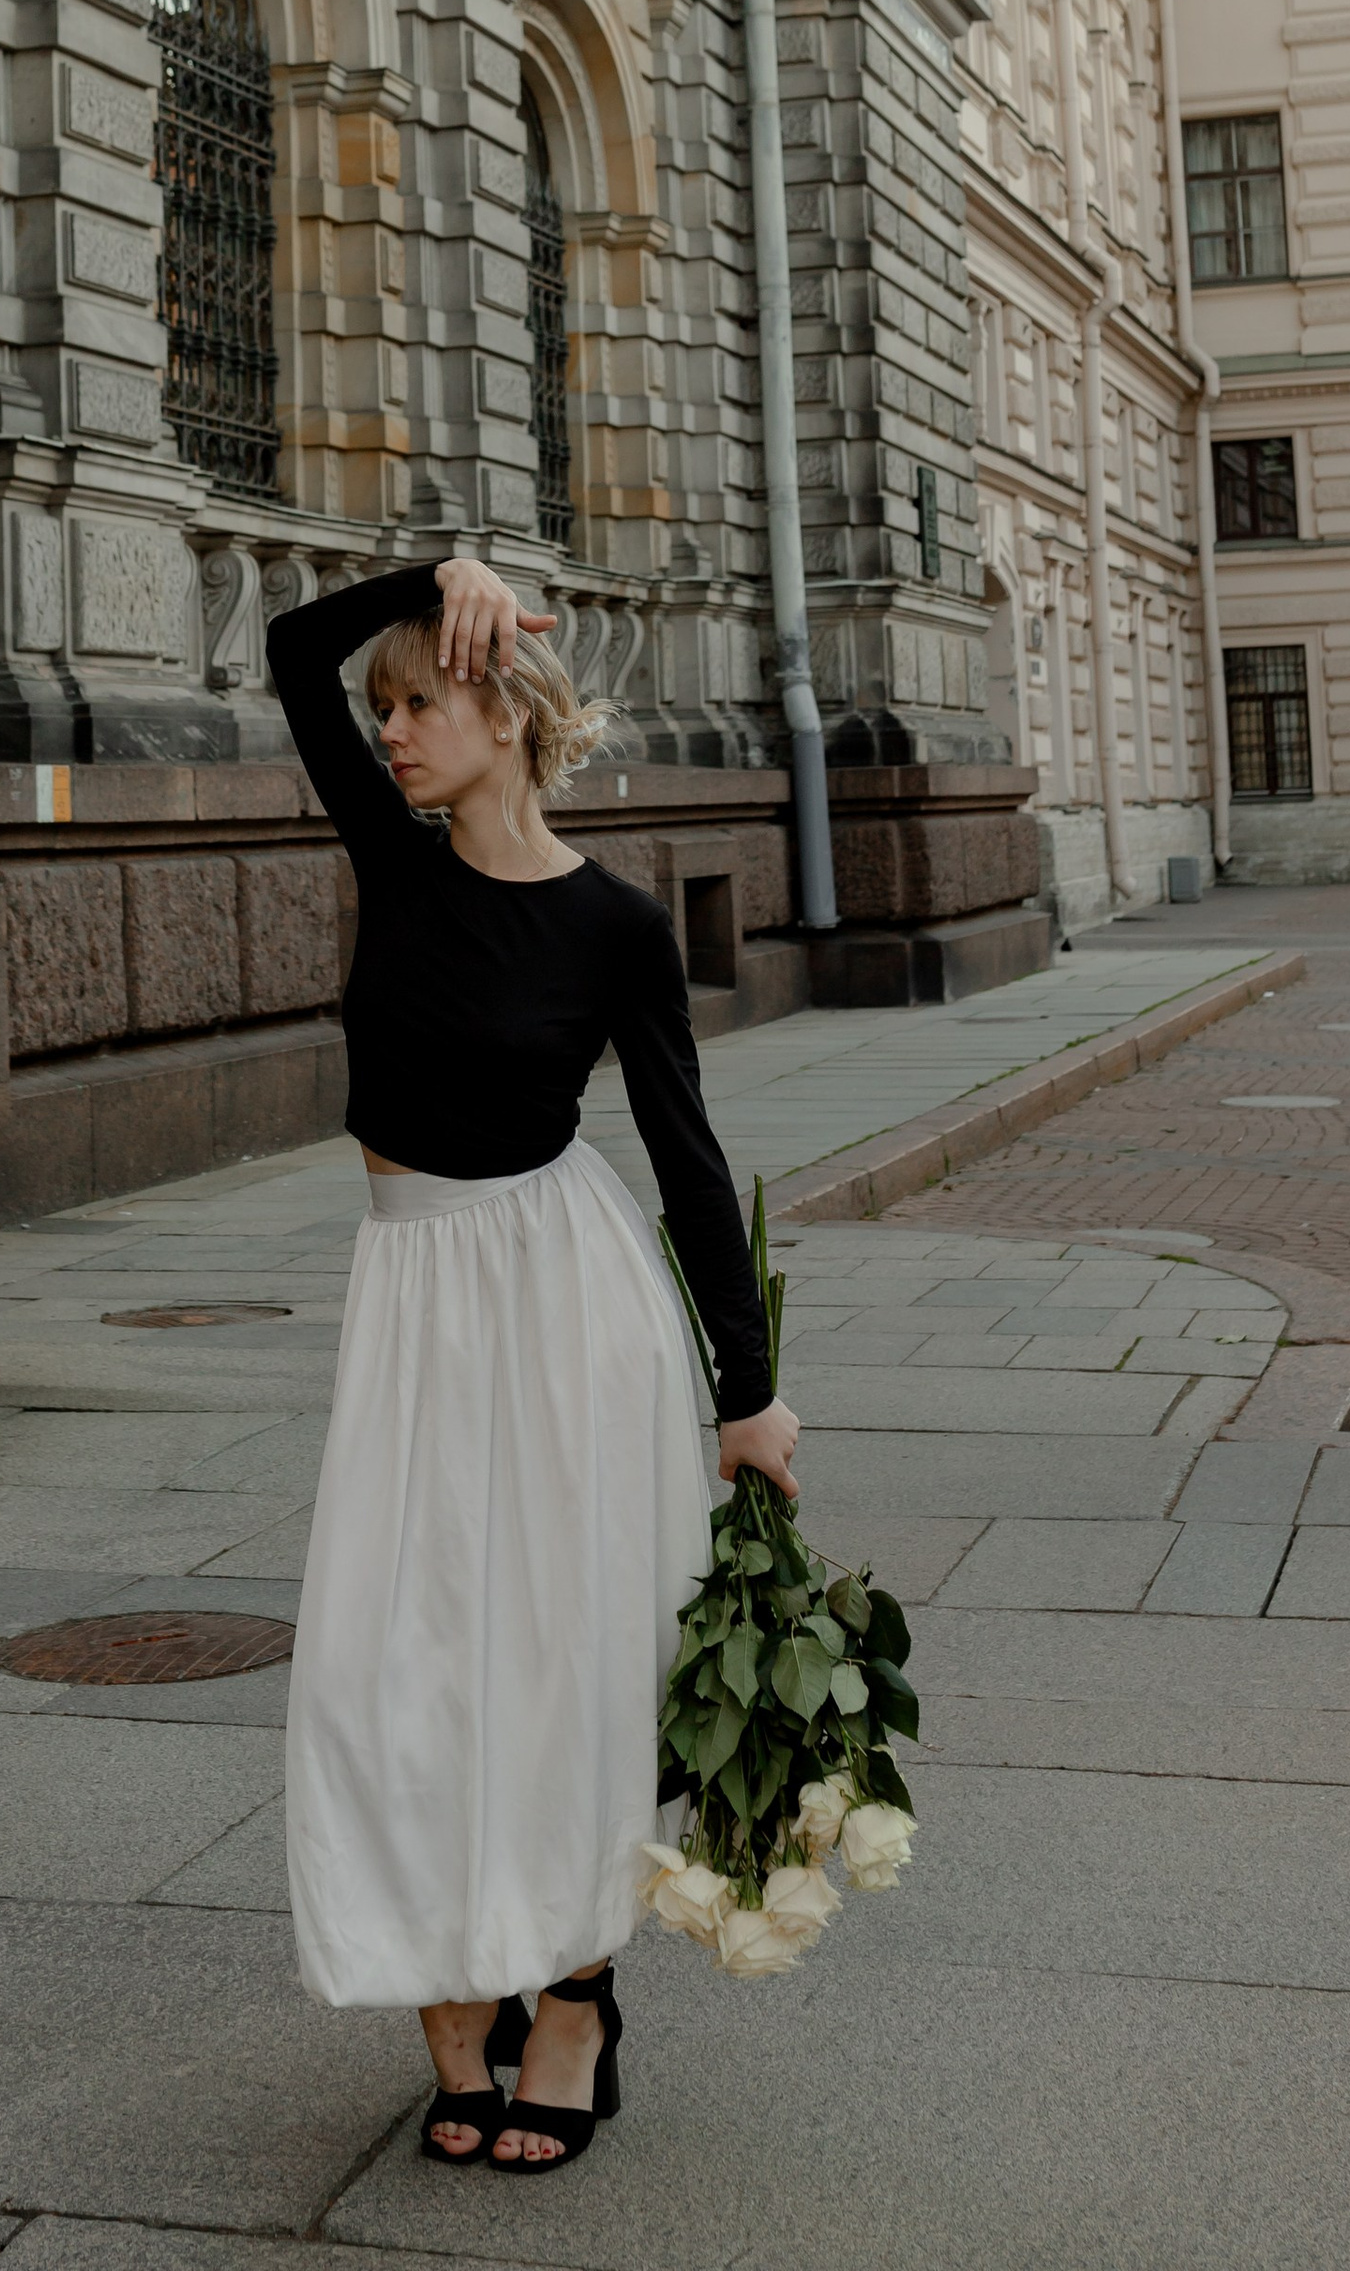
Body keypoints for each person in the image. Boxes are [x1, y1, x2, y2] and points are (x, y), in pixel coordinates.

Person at [271, 551, 801, 2175]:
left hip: (566, 1306)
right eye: (393, 712)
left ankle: (570, 2000)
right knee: (391, 1654)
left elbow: (689, 1160)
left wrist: (748, 1394)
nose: (397, 735)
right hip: (415, 1295)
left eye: (424, 703)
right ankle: (446, 1977)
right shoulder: (397, 861)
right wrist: (430, 578)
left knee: (567, 1657)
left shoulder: (615, 928)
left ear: (507, 715)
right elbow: (295, 654)